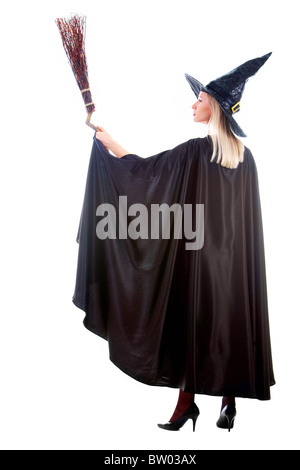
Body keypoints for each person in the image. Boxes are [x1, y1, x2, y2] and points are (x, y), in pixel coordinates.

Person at [73, 53, 275, 432]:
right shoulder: (245, 159)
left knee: (190, 325)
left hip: (197, 262)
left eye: (199, 100)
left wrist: (109, 145)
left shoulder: (198, 151)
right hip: (233, 268)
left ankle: (186, 405)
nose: (193, 104)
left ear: (212, 107)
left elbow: (143, 174)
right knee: (226, 324)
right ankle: (223, 404)